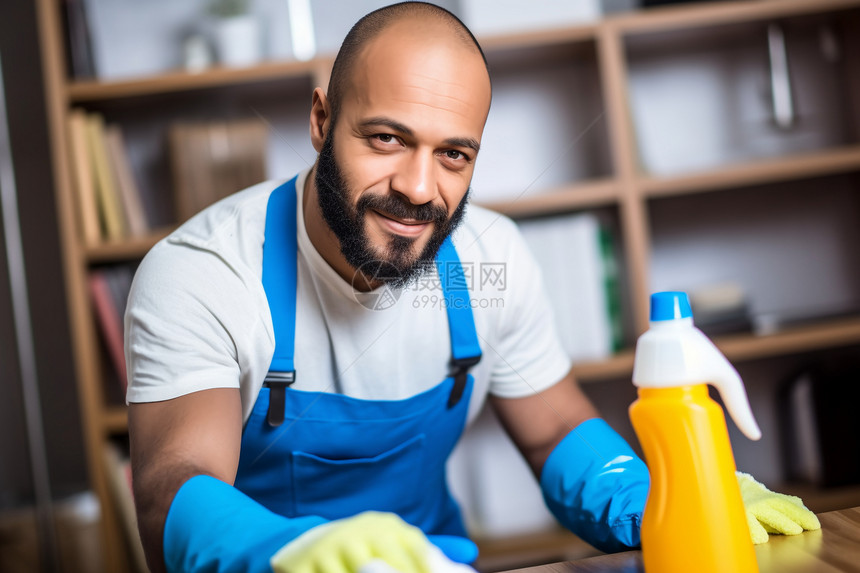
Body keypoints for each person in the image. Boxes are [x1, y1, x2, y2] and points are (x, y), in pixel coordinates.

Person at [126, 4, 650, 573]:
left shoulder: (493, 257)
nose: (419, 189)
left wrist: (661, 506)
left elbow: (555, 432)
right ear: (322, 121)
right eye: (386, 138)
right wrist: (290, 557)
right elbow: (174, 486)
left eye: (453, 154)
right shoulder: (201, 273)